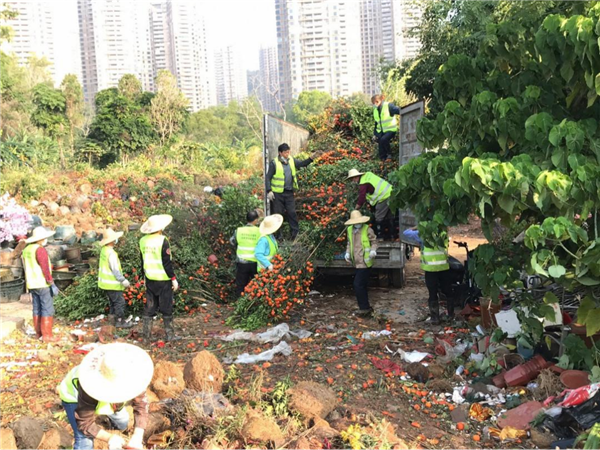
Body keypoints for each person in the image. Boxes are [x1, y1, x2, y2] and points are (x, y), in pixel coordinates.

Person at [57, 342, 154, 450]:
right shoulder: (89, 385)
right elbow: (84, 423)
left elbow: (141, 405)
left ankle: (110, 426)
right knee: (85, 440)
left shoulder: (132, 374)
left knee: (123, 422)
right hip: (73, 396)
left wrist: (137, 436)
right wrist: (109, 438)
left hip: (106, 395)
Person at [139, 214, 178, 342]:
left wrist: (143, 278)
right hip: (163, 279)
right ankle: (170, 335)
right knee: (166, 307)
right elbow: (166, 262)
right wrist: (173, 278)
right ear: (160, 228)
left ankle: (146, 337)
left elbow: (142, 261)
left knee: (150, 307)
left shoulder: (142, 241)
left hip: (150, 279)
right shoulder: (163, 240)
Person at [403, 227, 452, 324]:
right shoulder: (443, 232)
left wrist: (416, 227)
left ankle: (435, 318)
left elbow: (406, 233)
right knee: (448, 291)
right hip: (444, 267)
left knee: (433, 293)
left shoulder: (422, 234)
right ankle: (450, 316)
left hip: (431, 269)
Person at [265, 143, 315, 240]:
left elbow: (301, 164)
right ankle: (278, 236)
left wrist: (311, 159)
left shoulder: (291, 160)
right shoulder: (274, 163)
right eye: (285, 152)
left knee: (292, 212)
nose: (287, 154)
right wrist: (269, 190)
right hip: (277, 194)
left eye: (288, 152)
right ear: (280, 153)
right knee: (277, 215)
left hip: (289, 192)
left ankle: (294, 235)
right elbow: (268, 177)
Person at [22, 226, 59, 342]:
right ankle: (47, 336)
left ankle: (38, 334)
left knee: (37, 308)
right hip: (42, 283)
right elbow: (45, 268)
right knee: (47, 308)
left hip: (32, 283)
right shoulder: (40, 250)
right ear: (41, 239)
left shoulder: (27, 249)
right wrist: (51, 282)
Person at [344, 210, 378, 316]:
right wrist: (347, 253)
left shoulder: (367, 229)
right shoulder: (350, 229)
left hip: (365, 262)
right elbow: (349, 243)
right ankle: (365, 307)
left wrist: (373, 250)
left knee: (358, 284)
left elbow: (374, 242)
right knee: (362, 284)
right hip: (356, 262)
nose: (357, 224)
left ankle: (364, 308)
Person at [346, 168, 394, 240]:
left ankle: (380, 237)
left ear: (356, 177)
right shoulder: (368, 175)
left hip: (384, 196)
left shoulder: (363, 183)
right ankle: (392, 236)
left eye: (353, 179)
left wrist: (356, 209)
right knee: (389, 216)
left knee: (379, 217)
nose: (353, 181)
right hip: (391, 192)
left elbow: (362, 198)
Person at [98, 228, 132, 328]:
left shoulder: (104, 250)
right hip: (112, 284)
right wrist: (123, 280)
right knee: (119, 302)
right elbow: (115, 270)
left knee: (113, 302)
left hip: (105, 284)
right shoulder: (111, 253)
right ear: (112, 240)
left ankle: (112, 320)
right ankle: (120, 322)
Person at [230, 210, 261, 297]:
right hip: (255, 263)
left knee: (241, 285)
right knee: (257, 285)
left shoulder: (239, 230)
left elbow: (232, 241)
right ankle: (254, 301)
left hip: (242, 263)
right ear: (255, 220)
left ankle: (239, 302)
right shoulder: (259, 231)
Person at [371, 94, 400, 161]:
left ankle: (389, 154)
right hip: (381, 131)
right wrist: (375, 134)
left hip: (391, 129)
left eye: (376, 102)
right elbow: (377, 122)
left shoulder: (388, 106)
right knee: (380, 143)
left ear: (380, 100)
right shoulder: (375, 110)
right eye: (373, 103)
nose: (375, 104)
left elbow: (398, 110)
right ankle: (382, 159)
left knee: (383, 139)